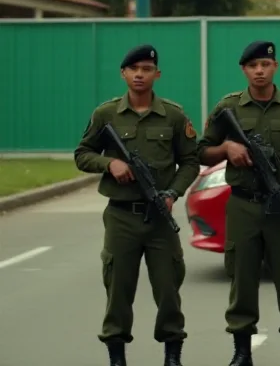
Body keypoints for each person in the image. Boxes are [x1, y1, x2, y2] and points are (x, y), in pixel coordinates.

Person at [74, 44, 200, 366]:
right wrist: (109, 165)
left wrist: (172, 193)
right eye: (134, 69)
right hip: (121, 217)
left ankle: (172, 355)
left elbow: (190, 162)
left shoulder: (173, 115)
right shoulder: (106, 115)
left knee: (169, 289)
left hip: (159, 217)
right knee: (118, 291)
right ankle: (117, 357)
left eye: (146, 69)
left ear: (157, 74)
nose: (140, 75)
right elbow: (82, 154)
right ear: (124, 73)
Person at [197, 40, 280, 366]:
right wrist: (226, 149)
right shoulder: (229, 108)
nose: (259, 71)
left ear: (275, 67)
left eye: (265, 65)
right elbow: (201, 150)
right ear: (244, 70)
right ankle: (241, 351)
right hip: (243, 205)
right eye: (253, 66)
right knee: (242, 278)